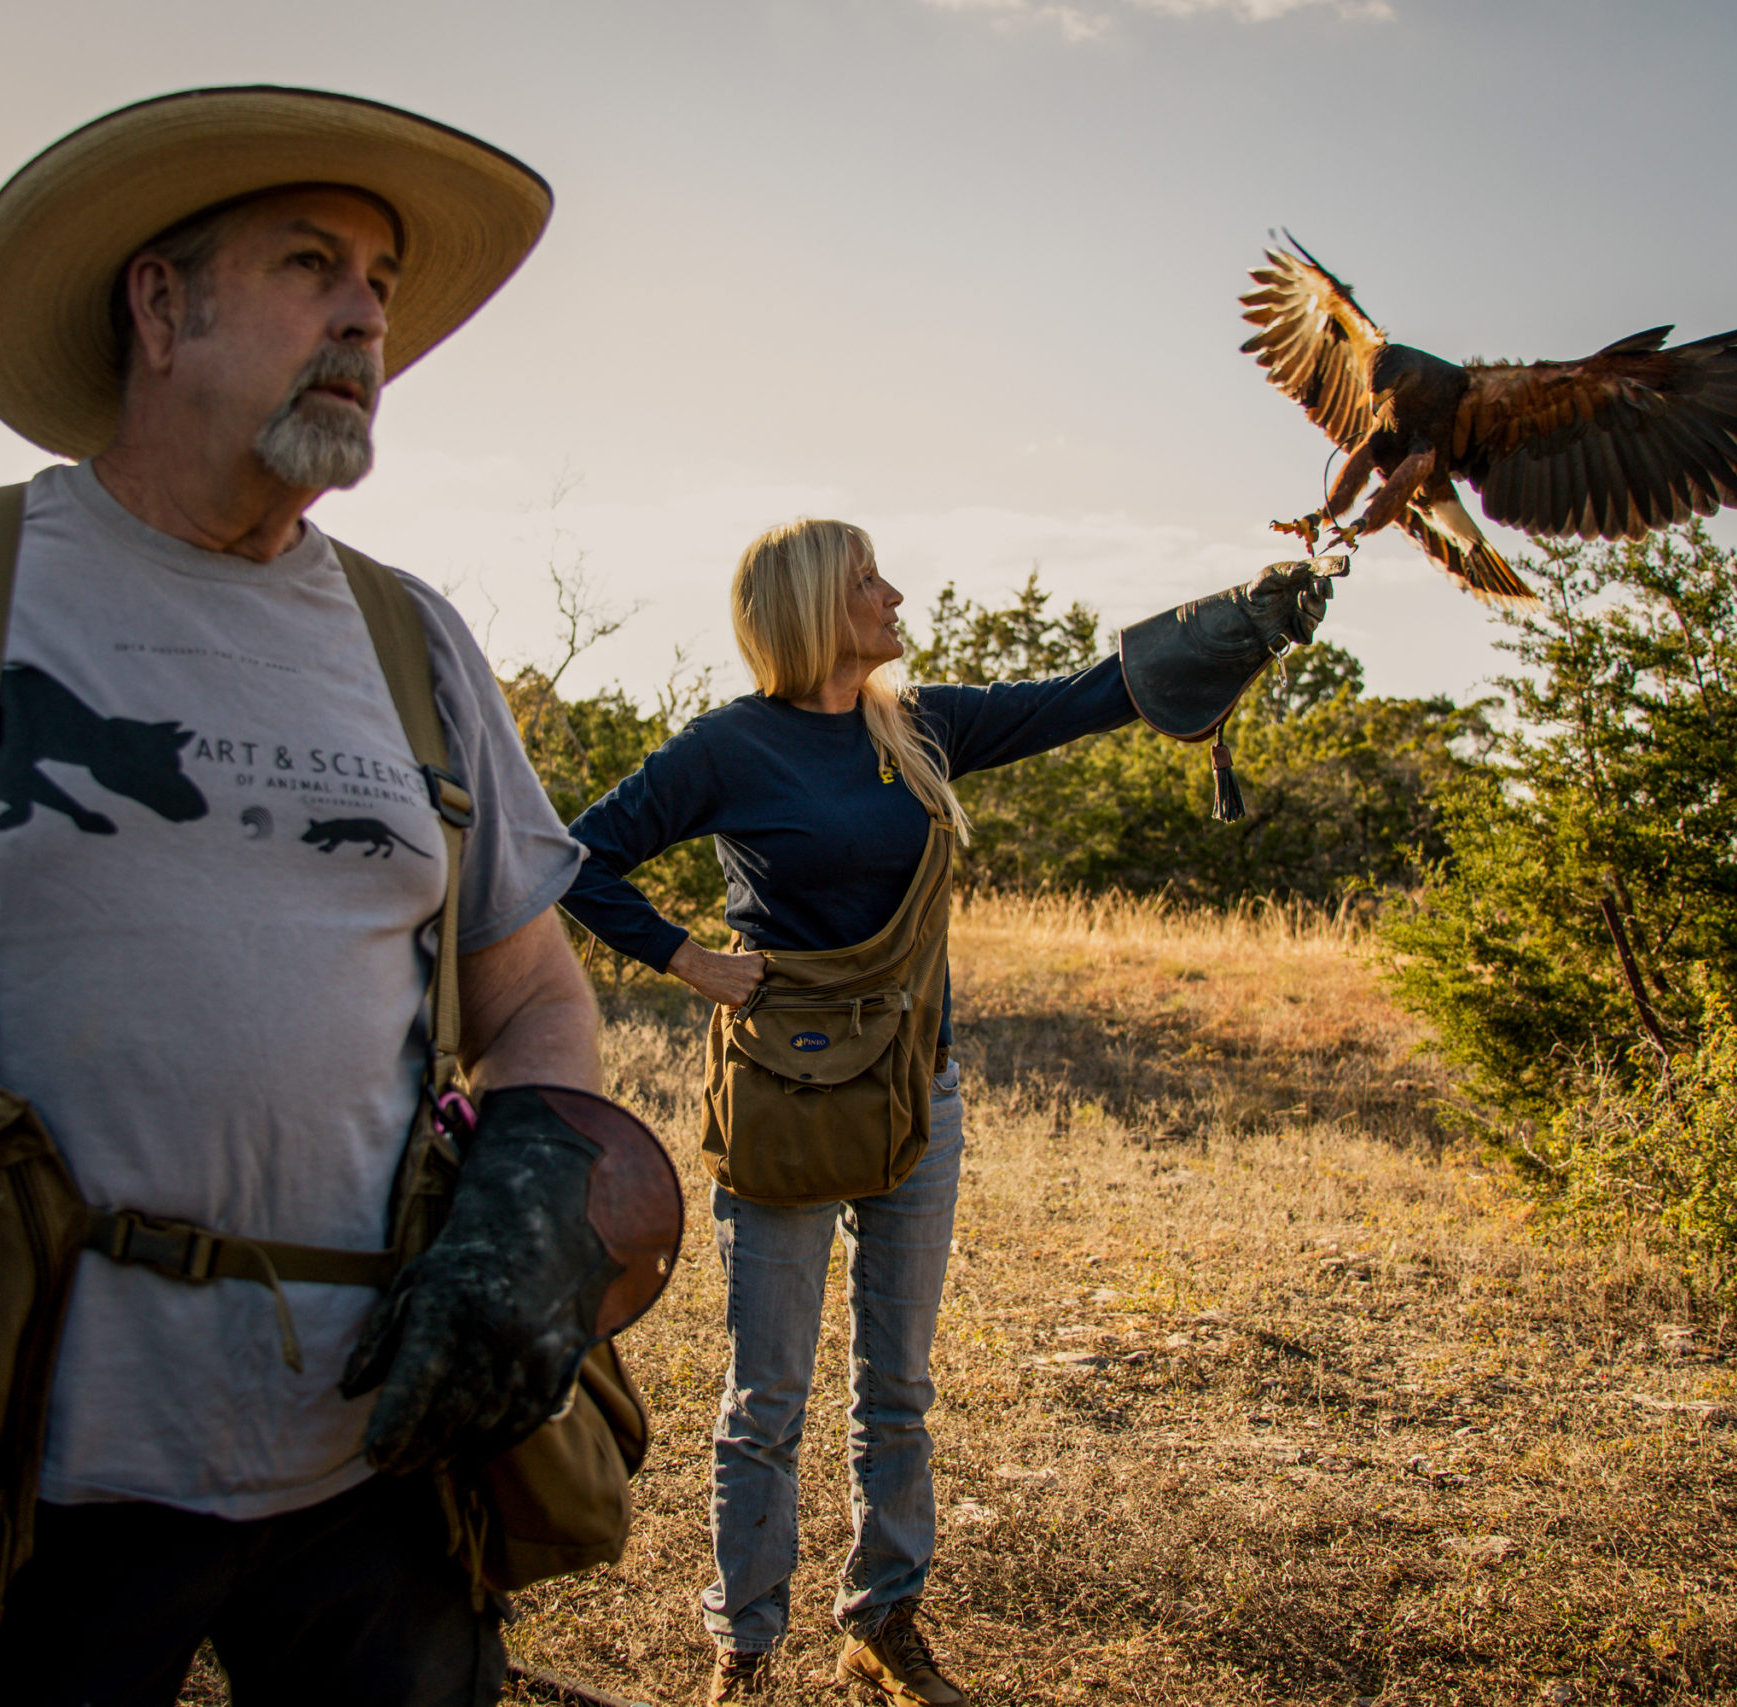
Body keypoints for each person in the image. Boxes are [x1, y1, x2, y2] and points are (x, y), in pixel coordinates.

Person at [0, 89, 599, 1707]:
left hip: (377, 1468)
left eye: (381, 281)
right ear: (158, 301)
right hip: (16, 1459)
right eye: (308, 262)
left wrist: (535, 1202)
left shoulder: (415, 641)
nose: (365, 314)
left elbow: (537, 997)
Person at [559, 520, 1331, 1704]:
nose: (894, 594)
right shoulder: (727, 746)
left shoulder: (919, 725)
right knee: (765, 1398)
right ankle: (746, 1646)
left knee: (898, 1386)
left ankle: (883, 1620)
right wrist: (683, 959)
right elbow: (578, 856)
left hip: (922, 1087)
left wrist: (1238, 617)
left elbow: (1090, 696)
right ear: (817, 604)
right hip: (786, 1098)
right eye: (869, 580)